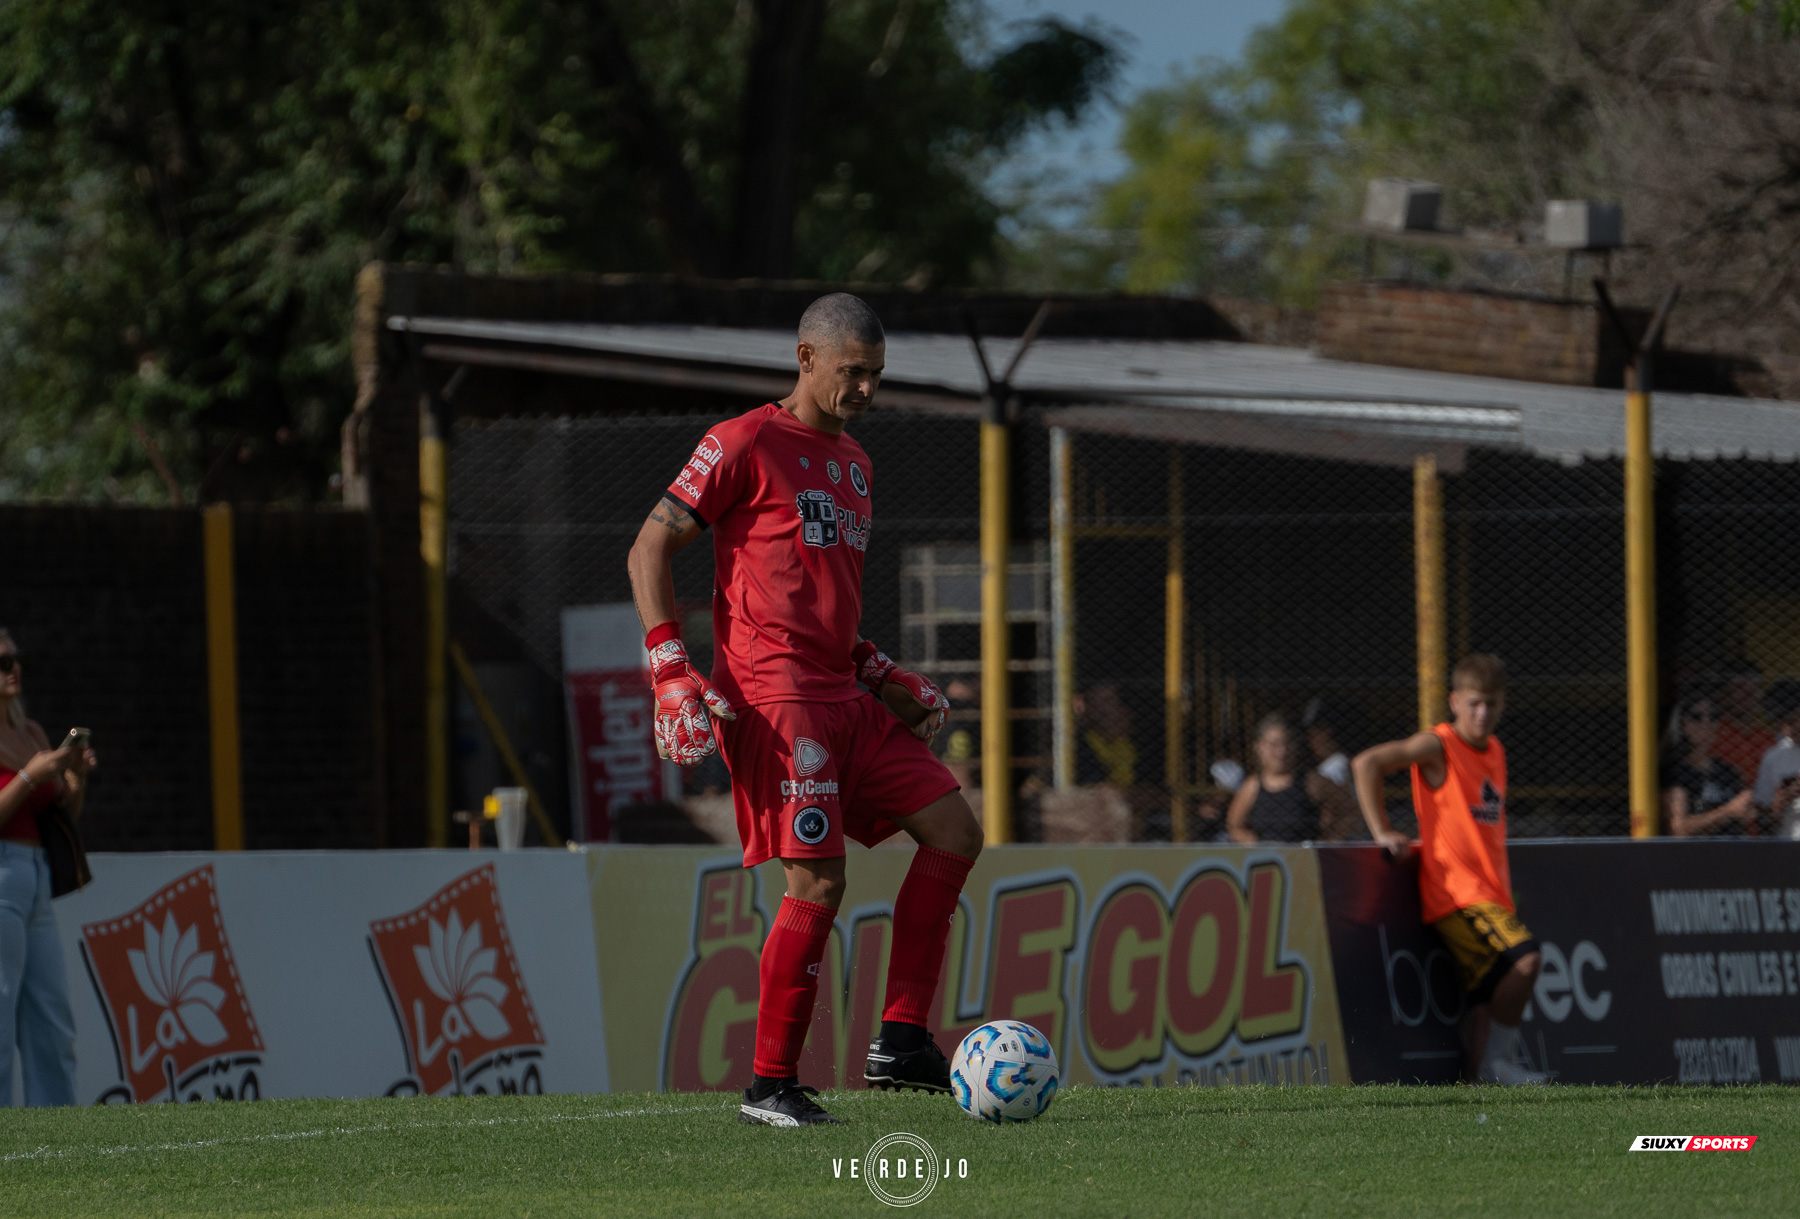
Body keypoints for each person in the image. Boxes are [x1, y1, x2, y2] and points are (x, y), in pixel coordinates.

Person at [628, 293, 982, 1127]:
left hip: (844, 694)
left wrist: (878, 667)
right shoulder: (742, 440)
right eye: (852, 371)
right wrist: (670, 669)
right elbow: (648, 545)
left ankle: (899, 1038)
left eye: (876, 375)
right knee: (818, 879)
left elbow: (815, 595)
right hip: (777, 699)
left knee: (956, 830)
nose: (864, 388)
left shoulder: (856, 461)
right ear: (806, 358)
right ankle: (769, 1084)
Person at [1351, 654, 1546, 1085]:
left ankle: (1484, 1091)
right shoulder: (1439, 745)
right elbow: (1366, 763)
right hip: (1457, 895)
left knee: (1486, 1003)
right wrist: (1382, 829)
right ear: (1454, 701)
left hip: (1491, 895)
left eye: (1492, 704)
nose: (1482, 713)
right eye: (1474, 703)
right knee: (1527, 961)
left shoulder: (1495, 750)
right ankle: (1502, 1065)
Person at [0, 627, 96, 1107]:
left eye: (16, 660)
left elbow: (62, 814)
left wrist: (74, 776)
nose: (13, 670)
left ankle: (58, 1142)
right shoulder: (26, 753)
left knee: (52, 1022)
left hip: (34, 877)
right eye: (3, 663)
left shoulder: (30, 731)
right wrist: (27, 776)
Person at [1226, 712, 1356, 843]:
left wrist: (1329, 841)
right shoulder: (1252, 786)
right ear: (1259, 747)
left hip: (1306, 859)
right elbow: (1234, 826)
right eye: (1274, 745)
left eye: (1287, 743)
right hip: (1266, 860)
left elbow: (1350, 811)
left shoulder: (1312, 781)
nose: (1282, 752)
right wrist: (1256, 845)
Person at [1660, 692, 1754, 837]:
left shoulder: (1727, 771)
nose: (1706, 722)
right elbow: (1679, 829)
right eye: (1696, 717)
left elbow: (1743, 816)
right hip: (1695, 856)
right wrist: (1728, 811)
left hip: (1732, 853)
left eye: (1713, 716)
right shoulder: (1675, 772)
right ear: (1683, 724)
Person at [1752, 681, 1800, 836]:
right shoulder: (1774, 756)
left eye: (1793, 720)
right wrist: (1780, 802)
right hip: (1789, 847)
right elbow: (1763, 823)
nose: (1787, 729)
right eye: (1783, 722)